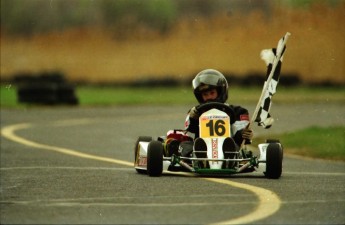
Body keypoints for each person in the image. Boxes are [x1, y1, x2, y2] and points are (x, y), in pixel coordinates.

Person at [165, 69, 253, 158]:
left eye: (212, 93)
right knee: (184, 145)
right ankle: (199, 155)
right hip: (202, 146)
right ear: (200, 97)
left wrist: (243, 133)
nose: (209, 97)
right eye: (205, 94)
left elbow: (241, 136)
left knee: (234, 146)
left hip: (228, 147)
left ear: (220, 92)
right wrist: (193, 117)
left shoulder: (237, 111)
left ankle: (229, 155)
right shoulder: (196, 112)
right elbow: (190, 127)